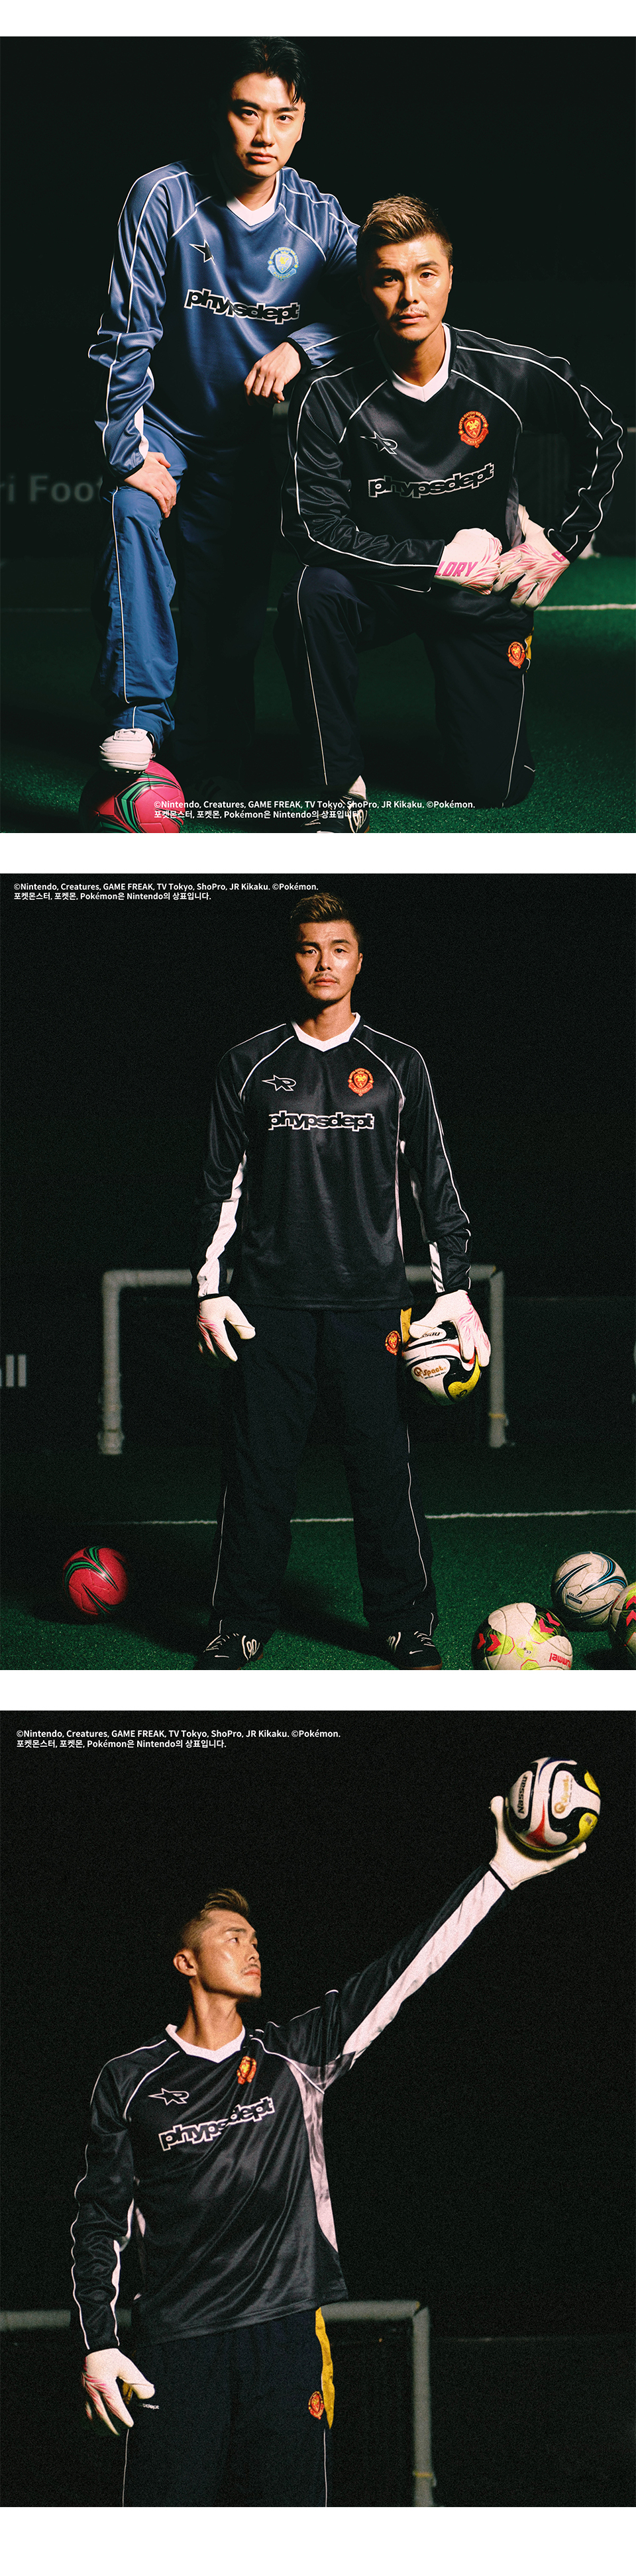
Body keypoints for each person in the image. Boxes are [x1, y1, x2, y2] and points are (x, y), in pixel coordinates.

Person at [73, 1808, 586, 2506]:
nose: (252, 1950)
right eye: (232, 1938)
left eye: (255, 1939)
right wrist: (97, 2342)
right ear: (186, 1961)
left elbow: (403, 1970)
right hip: (177, 2347)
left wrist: (499, 1876)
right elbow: (99, 2221)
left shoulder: (296, 2058)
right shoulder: (130, 2081)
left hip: (286, 2338)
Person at [193, 889, 490, 1671]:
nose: (323, 963)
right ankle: (237, 1622)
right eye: (308, 949)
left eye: (339, 948)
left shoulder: (398, 1066)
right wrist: (210, 1289)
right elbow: (220, 1187)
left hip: (372, 1306)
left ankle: (405, 1624)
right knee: (257, 1473)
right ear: (292, 960)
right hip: (269, 1306)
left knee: (383, 1473)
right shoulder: (248, 1064)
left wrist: (453, 1287)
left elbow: (434, 1184)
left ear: (360, 960)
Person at [274, 193, 623, 828]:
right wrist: (438, 560)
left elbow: (603, 435)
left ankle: (465, 726)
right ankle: (337, 785)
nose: (410, 295)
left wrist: (561, 543)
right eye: (388, 278)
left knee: (494, 788)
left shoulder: (507, 373)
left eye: (426, 274)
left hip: (482, 589)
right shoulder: (327, 395)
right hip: (383, 583)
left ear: (450, 278)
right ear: (365, 288)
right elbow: (313, 529)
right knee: (311, 593)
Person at [89, 39, 358, 803]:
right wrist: (128, 449)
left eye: (283, 117)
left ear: (302, 123)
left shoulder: (318, 218)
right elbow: (124, 336)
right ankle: (138, 718)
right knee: (129, 508)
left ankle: (214, 755)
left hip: (245, 447)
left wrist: (301, 347)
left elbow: (377, 305)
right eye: (247, 113)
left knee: (228, 612)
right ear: (219, 114)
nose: (265, 135)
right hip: (164, 425)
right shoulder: (162, 198)